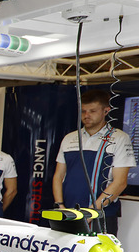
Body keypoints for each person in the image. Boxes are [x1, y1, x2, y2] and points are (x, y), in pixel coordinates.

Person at [53, 89, 136, 235]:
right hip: (69, 213)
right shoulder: (69, 138)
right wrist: (60, 205)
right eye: (83, 111)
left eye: (92, 111)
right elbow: (58, 176)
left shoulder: (119, 138)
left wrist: (91, 212)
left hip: (102, 216)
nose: (86, 115)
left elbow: (120, 182)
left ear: (106, 111)